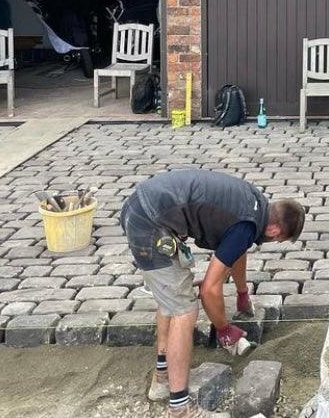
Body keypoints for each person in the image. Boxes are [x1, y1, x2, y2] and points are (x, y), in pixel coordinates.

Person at [121, 169, 306, 417]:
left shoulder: (255, 205)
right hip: (149, 222)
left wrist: (242, 293)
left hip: (143, 206)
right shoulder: (246, 226)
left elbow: (238, 250)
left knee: (171, 297)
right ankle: (180, 409)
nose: (275, 242)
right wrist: (224, 330)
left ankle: (162, 379)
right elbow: (209, 290)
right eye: (279, 240)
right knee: (184, 310)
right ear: (274, 231)